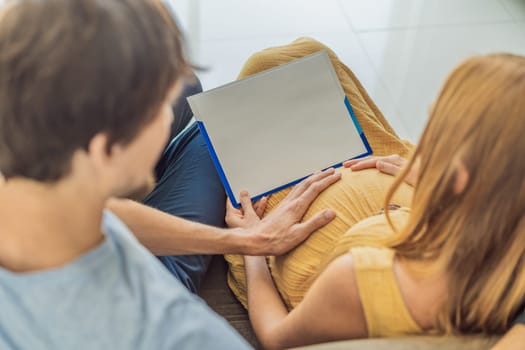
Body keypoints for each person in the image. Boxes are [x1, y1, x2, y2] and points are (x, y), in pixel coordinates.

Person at [0, 1, 340, 349]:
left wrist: (246, 241)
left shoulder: (49, 193)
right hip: (146, 278)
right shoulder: (181, 333)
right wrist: (255, 252)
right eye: (159, 107)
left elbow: (92, 210)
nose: (166, 114)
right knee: (215, 134)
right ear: (104, 152)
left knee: (190, 90)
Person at [224, 38, 525, 349]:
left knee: (264, 71)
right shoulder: (509, 239)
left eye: (437, 133)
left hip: (294, 232)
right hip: (432, 201)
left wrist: (252, 245)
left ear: (460, 174)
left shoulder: (359, 280)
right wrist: (433, 186)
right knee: (307, 56)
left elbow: (276, 337)